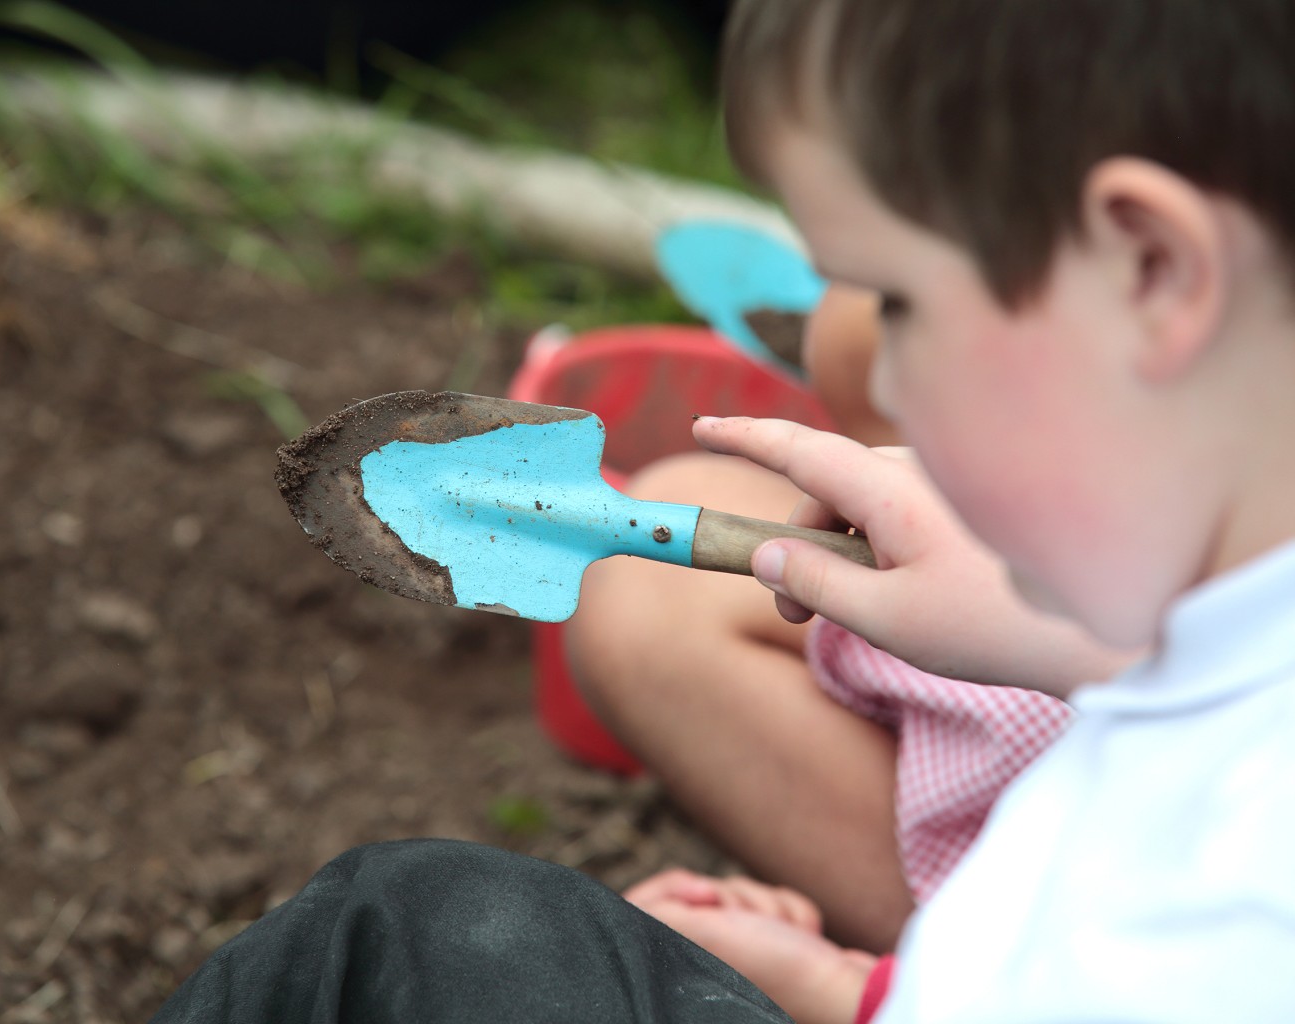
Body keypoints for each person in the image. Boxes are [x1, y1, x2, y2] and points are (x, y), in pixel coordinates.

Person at [152, 1, 1295, 1020]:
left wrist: (848, 994)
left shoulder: (1211, 914)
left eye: (898, 303)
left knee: (401, 934)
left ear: (1151, 267)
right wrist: (1076, 645)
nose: (880, 386)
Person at [567, 281, 1109, 957]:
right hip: (1068, 607)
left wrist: (842, 992)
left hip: (1071, 873)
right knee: (856, 326)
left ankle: (949, 947)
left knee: (641, 610)